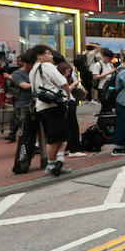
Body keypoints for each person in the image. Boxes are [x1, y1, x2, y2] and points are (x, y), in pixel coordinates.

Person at [29, 45, 72, 176]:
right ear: (39, 56)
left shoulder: (32, 71)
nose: (52, 56)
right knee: (57, 137)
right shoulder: (47, 66)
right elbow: (62, 82)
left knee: (54, 136)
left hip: (41, 106)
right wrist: (68, 96)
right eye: (49, 54)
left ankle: (56, 162)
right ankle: (52, 165)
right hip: (54, 105)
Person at [57, 61, 87, 159]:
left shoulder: (61, 77)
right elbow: (65, 90)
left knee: (69, 126)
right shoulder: (60, 79)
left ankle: (68, 147)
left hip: (67, 102)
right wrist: (74, 84)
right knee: (72, 126)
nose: (69, 73)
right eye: (68, 71)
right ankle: (74, 149)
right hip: (67, 102)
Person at [10, 54, 33, 146]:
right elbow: (25, 86)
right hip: (23, 103)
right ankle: (24, 149)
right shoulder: (17, 74)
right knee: (24, 129)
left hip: (34, 102)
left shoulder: (33, 72)